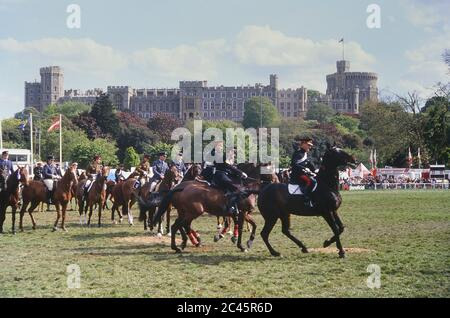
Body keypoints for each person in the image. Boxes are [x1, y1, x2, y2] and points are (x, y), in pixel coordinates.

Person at [210, 141, 248, 218]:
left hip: (226, 174)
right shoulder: (216, 154)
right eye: (219, 146)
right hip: (220, 174)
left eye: (221, 146)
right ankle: (230, 207)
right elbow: (228, 166)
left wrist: (239, 174)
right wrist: (241, 172)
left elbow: (230, 167)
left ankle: (236, 205)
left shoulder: (223, 155)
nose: (221, 147)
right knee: (234, 187)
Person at [289, 137, 317, 208]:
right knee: (312, 182)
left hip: (304, 174)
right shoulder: (298, 153)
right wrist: (305, 169)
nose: (310, 147)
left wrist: (316, 170)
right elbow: (294, 164)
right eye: (308, 145)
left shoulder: (305, 154)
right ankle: (306, 199)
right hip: (298, 175)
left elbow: (310, 164)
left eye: (310, 145)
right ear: (303, 144)